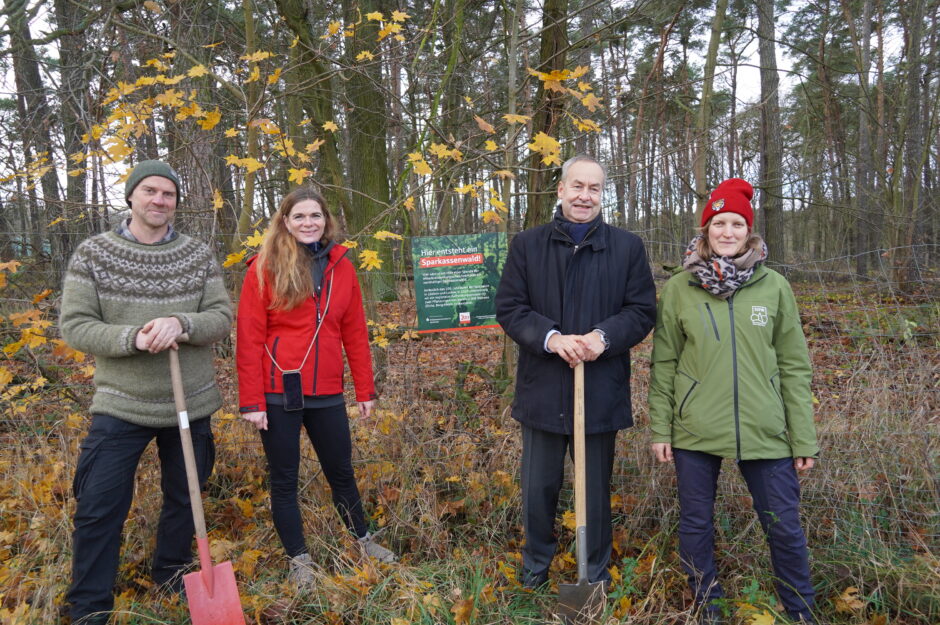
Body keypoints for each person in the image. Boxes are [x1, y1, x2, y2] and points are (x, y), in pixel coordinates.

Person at [59, 160, 233, 624]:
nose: (160, 200)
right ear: (131, 196)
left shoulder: (197, 255)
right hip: (121, 403)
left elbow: (220, 316)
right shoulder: (94, 254)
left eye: (169, 194)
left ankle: (172, 576)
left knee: (185, 496)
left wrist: (183, 323)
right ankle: (90, 605)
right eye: (150, 191)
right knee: (99, 505)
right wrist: (132, 338)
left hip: (189, 402)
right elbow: (75, 326)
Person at [648, 178, 818, 624]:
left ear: (750, 231)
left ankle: (800, 610)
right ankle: (708, 606)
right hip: (694, 428)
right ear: (705, 231)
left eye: (737, 223)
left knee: (783, 526)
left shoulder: (774, 286)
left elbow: (795, 366)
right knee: (696, 525)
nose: (727, 231)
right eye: (718, 223)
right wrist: (660, 429)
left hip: (766, 429)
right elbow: (664, 363)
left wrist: (803, 438)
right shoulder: (680, 289)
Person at [495, 155, 657, 589]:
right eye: (578, 186)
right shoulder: (528, 245)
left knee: (594, 493)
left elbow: (641, 311)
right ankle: (535, 568)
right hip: (543, 389)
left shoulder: (627, 248)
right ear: (561, 190)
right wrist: (552, 337)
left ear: (603, 195)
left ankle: (594, 572)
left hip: (599, 390)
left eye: (595, 188)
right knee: (538, 489)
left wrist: (601, 338)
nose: (586, 195)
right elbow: (511, 308)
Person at [236, 186, 395, 586]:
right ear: (285, 222)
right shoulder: (263, 267)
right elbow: (249, 338)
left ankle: (362, 539)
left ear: (327, 221)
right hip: (276, 391)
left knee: (341, 471)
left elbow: (355, 332)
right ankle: (299, 560)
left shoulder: (343, 266)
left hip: (325, 390)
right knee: (284, 479)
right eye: (300, 216)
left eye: (316, 216)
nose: (309, 223)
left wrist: (364, 390)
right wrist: (252, 400)